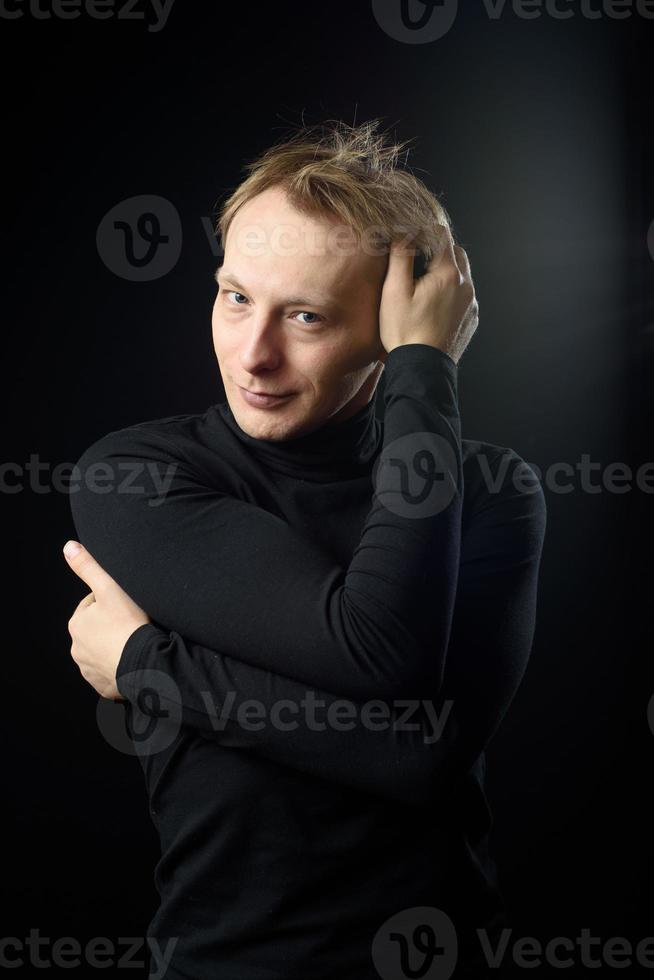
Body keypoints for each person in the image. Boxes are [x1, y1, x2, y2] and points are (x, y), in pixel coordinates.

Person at [64, 119, 547, 979]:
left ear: (391, 332)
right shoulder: (139, 476)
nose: (254, 355)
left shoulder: (489, 491)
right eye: (235, 296)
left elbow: (419, 753)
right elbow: (385, 687)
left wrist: (146, 665)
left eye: (308, 317)